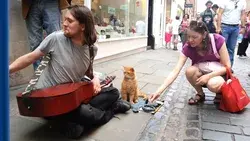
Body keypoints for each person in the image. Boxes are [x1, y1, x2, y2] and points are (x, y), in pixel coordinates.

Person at [10, 5, 131, 139]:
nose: (64, 23)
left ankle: (79, 120)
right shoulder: (55, 38)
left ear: (83, 26)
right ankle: (111, 109)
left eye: (69, 20)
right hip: (51, 102)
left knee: (113, 92)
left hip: (74, 96)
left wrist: (95, 79)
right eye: (64, 20)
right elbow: (30, 57)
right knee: (83, 117)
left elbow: (88, 72)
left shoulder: (91, 50)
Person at [148, 21, 231, 105]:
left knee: (213, 84)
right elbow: (175, 70)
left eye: (194, 37)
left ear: (204, 35)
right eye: (188, 36)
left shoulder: (217, 40)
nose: (190, 40)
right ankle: (200, 94)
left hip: (218, 75)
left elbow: (227, 67)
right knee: (189, 71)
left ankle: (220, 92)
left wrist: (208, 76)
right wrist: (159, 91)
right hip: (201, 74)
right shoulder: (188, 47)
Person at [216, 0, 246, 67]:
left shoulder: (242, 2)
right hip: (225, 27)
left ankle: (229, 67)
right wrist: (218, 27)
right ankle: (219, 66)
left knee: (231, 48)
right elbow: (219, 13)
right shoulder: (225, 1)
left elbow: (243, 14)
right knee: (222, 47)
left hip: (236, 27)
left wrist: (243, 27)